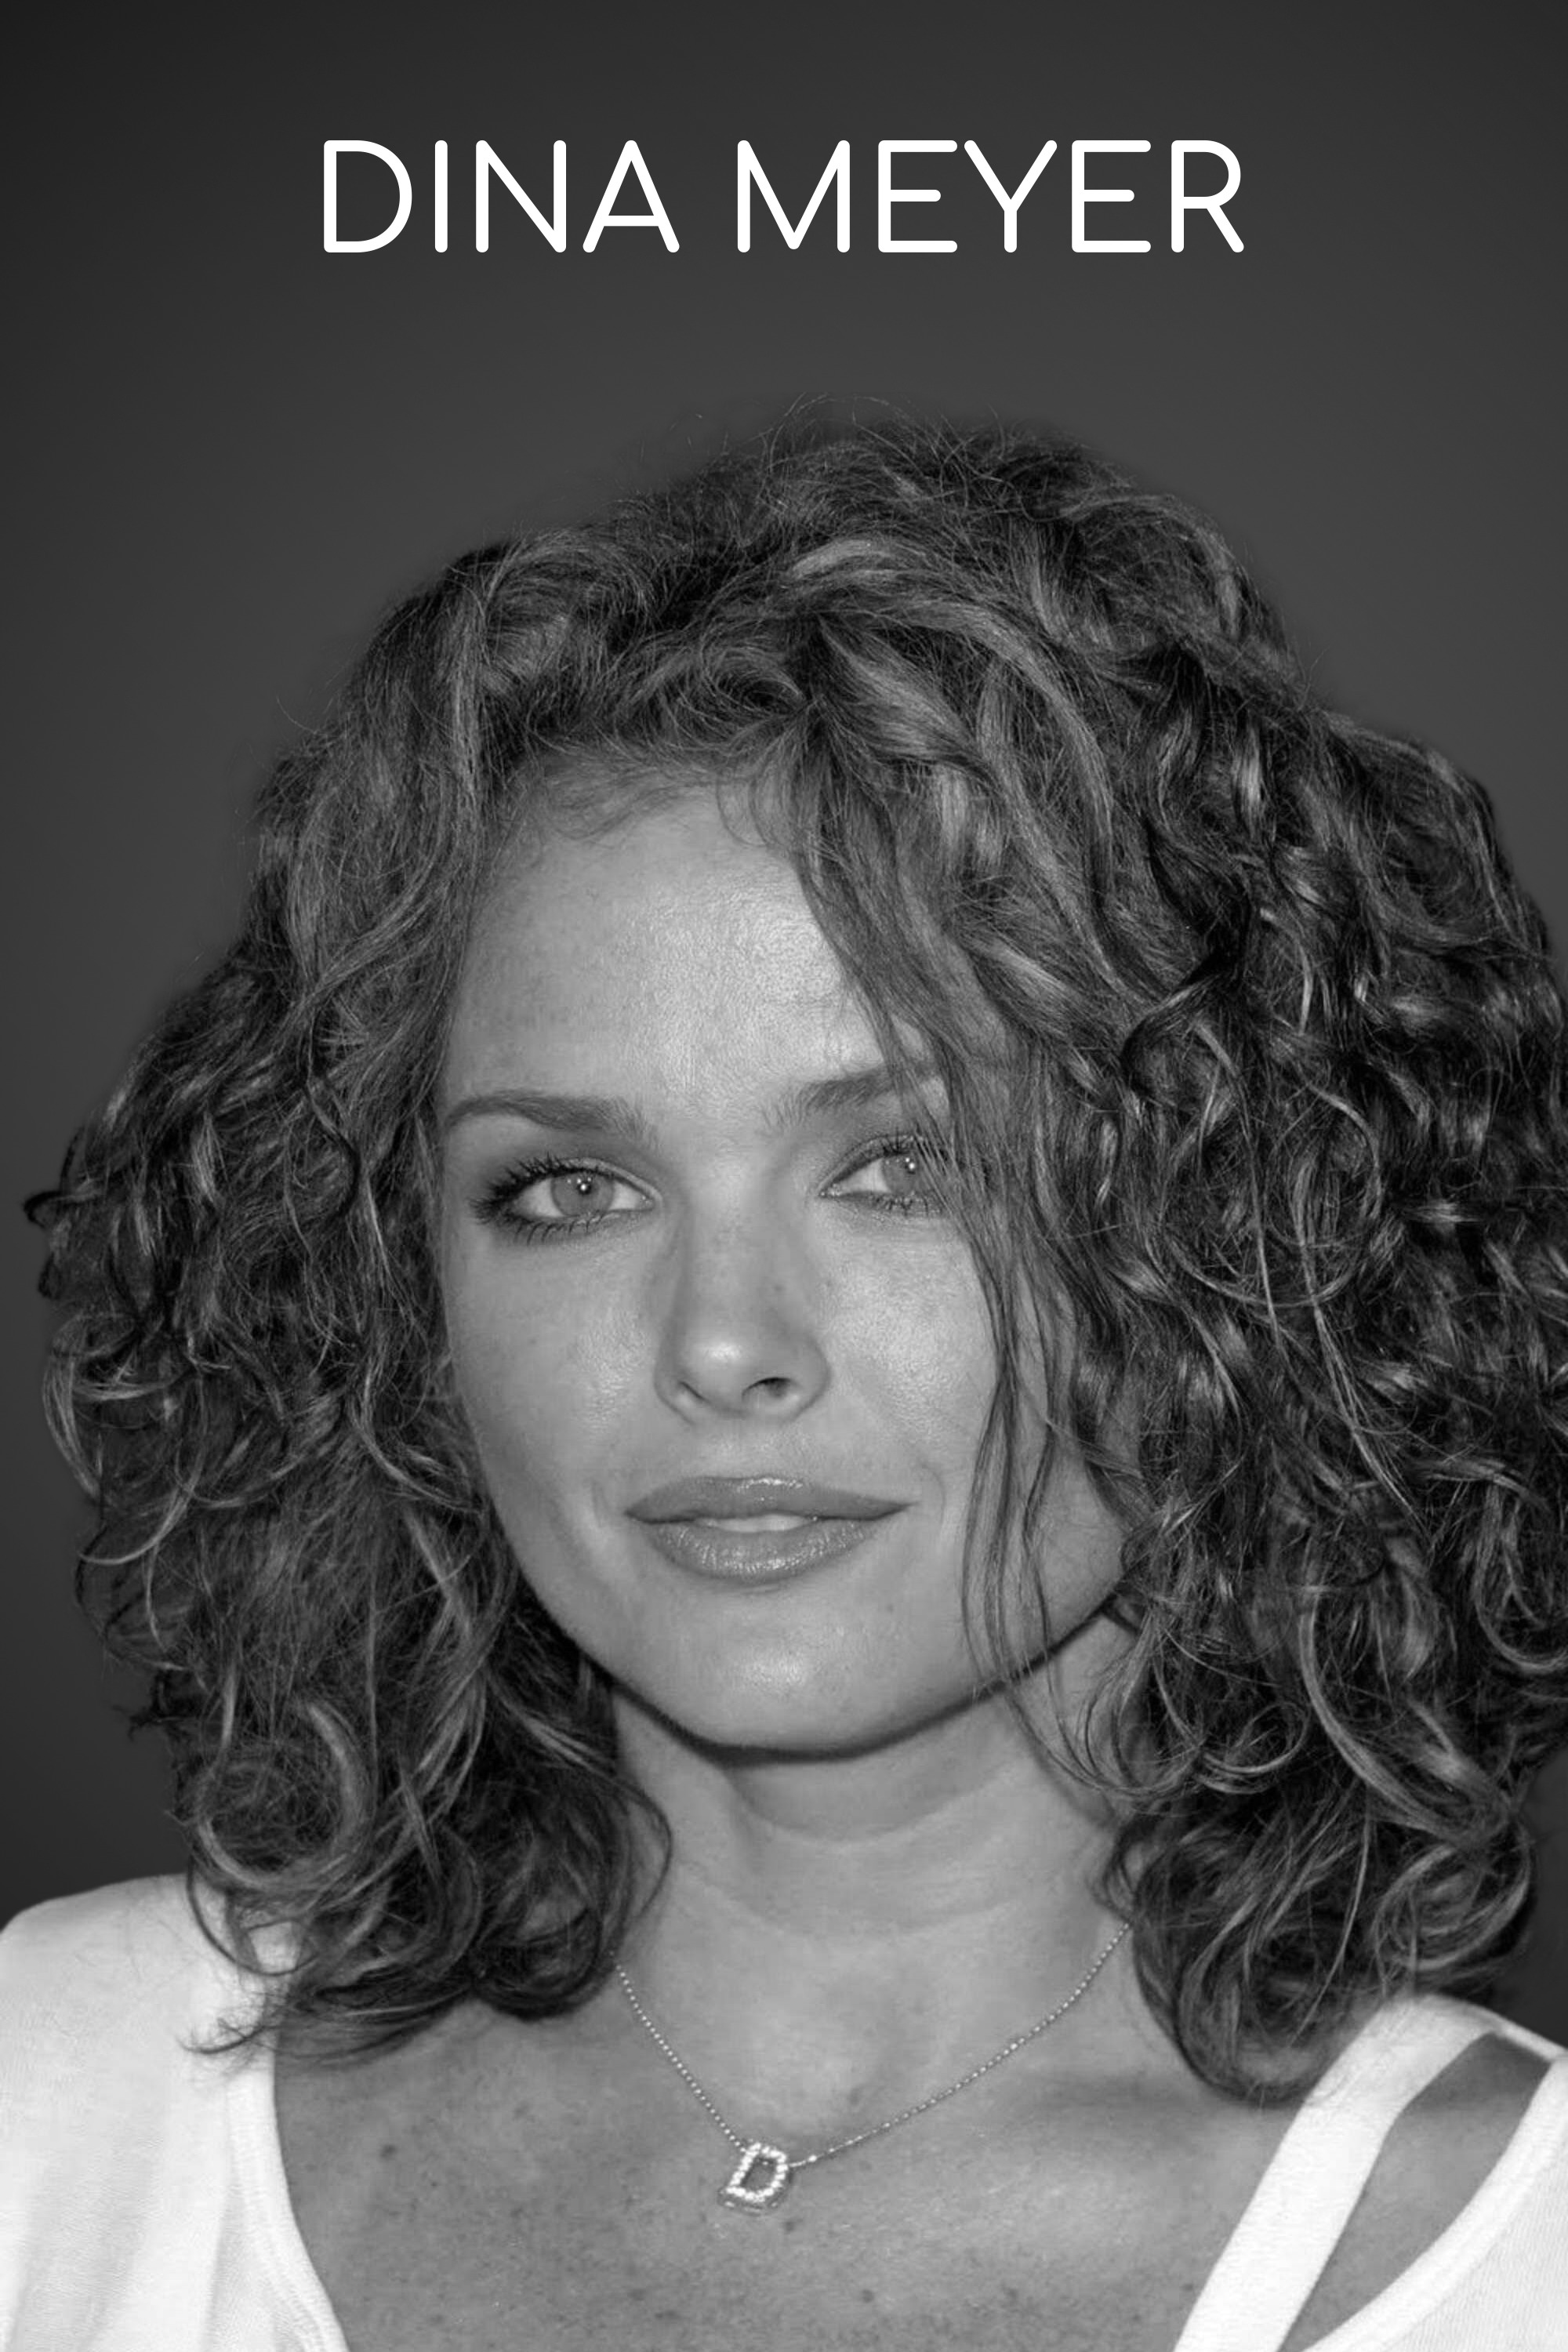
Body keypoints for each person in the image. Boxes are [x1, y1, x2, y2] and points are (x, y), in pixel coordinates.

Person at [3, 416, 1566, 2352]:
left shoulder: (1516, 2263)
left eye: (907, 1166)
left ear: (1243, 1229)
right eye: (567, 1189)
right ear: (400, 1295)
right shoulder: (49, 2100)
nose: (721, 1340)